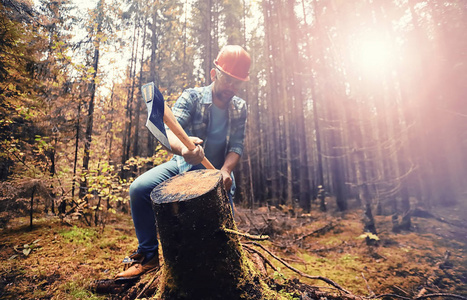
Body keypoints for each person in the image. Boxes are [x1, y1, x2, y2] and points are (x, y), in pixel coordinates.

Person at [115, 45, 251, 279]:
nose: (231, 87)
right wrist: (184, 149)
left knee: (223, 237)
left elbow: (236, 145)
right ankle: (148, 256)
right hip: (184, 165)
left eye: (237, 82)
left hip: (219, 175)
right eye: (227, 79)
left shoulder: (240, 107)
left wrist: (226, 170)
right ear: (213, 74)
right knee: (138, 189)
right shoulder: (192, 97)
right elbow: (167, 130)